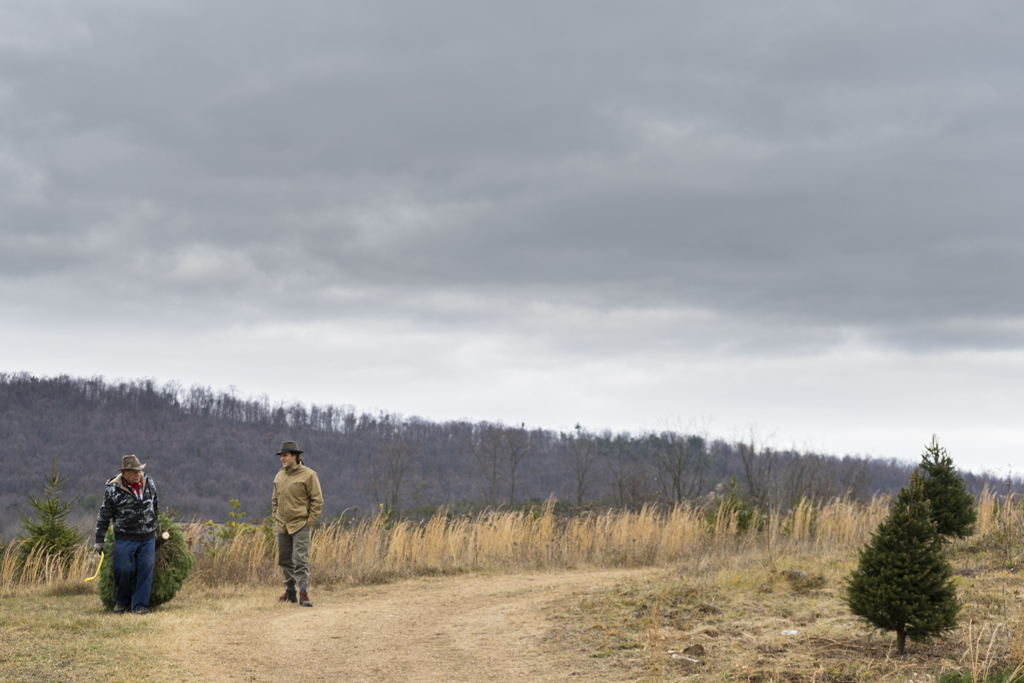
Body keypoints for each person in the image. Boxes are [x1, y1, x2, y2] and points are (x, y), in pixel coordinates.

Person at [94, 454, 159, 614]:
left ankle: (140, 606)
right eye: (134, 472)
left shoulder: (148, 482)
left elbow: (155, 504)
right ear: (124, 473)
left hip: (148, 536)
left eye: (140, 471)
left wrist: (156, 526)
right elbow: (104, 514)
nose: (138, 474)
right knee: (123, 570)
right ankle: (122, 601)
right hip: (125, 537)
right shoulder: (113, 489)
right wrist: (99, 539)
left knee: (146, 569)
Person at [272, 440, 323, 607]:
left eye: (285, 455)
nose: (282, 459)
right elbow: (275, 500)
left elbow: (317, 501)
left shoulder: (309, 475)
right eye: (281, 456)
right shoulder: (279, 475)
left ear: (295, 456)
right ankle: (290, 592)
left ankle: (303, 593)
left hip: (300, 524)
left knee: (300, 560)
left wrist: (309, 522)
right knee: (284, 560)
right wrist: (275, 517)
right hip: (282, 525)